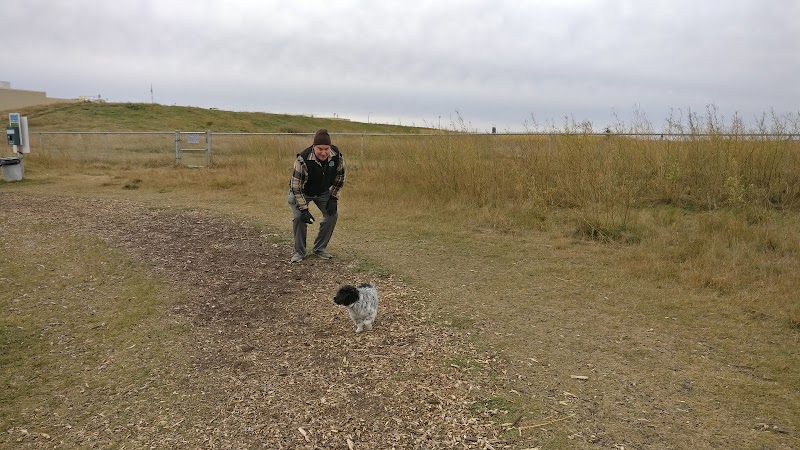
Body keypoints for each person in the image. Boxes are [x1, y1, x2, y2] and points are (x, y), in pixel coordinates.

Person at [287, 129, 346, 263]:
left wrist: (333, 198)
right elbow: (296, 187)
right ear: (314, 147)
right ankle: (300, 252)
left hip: (322, 191)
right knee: (299, 218)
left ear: (330, 147)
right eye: (320, 149)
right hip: (301, 192)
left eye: (326, 149)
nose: (323, 152)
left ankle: (319, 248)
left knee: (332, 215)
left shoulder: (337, 156)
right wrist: (304, 209)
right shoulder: (302, 159)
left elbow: (340, 177)